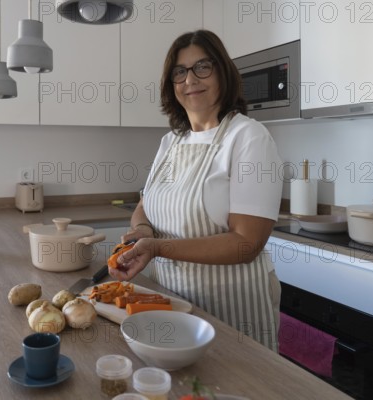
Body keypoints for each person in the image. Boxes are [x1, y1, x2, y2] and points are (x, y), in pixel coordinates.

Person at [108, 30, 283, 352]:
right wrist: (142, 230)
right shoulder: (171, 141)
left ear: (223, 73)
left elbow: (247, 243)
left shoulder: (248, 137)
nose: (190, 79)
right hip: (173, 303)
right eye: (180, 71)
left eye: (203, 67)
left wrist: (158, 248)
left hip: (232, 311)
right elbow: (146, 205)